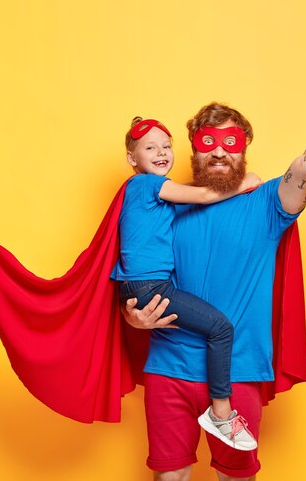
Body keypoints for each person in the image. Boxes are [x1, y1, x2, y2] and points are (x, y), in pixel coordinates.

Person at [123, 86, 306, 481]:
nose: (219, 152)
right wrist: (134, 319)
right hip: (169, 367)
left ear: (244, 150)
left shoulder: (267, 203)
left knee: (236, 476)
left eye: (231, 142)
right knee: (168, 476)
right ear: (193, 152)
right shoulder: (168, 205)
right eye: (207, 143)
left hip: (237, 371)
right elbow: (139, 274)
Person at [111, 117, 261, 450]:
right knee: (221, 328)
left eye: (166, 146)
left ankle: (219, 411)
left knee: (213, 325)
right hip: (150, 287)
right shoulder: (146, 185)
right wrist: (244, 183)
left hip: (142, 287)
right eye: (150, 147)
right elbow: (205, 195)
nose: (161, 153)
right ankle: (221, 412)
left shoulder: (143, 194)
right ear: (132, 159)